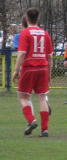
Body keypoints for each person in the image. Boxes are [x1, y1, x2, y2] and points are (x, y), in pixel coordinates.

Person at [12, 8, 53, 137]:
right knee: (42, 98)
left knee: (23, 97)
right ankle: (44, 130)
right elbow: (50, 56)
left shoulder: (25, 33)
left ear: (27, 19)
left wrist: (15, 70)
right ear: (38, 20)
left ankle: (31, 120)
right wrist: (49, 72)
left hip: (29, 68)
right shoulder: (45, 33)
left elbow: (22, 53)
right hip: (43, 68)